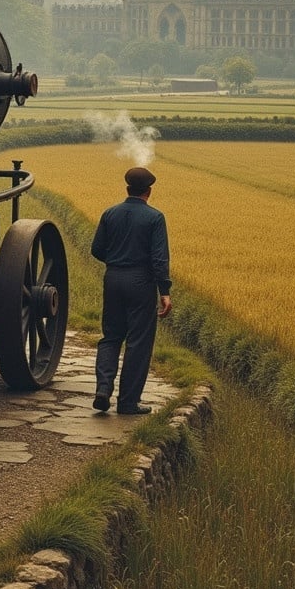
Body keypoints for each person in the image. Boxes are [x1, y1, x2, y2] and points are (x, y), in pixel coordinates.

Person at [90, 166, 172, 415]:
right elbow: (159, 259)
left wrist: (116, 261)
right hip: (140, 282)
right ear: (148, 191)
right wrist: (164, 291)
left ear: (128, 189)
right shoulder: (155, 218)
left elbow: (96, 249)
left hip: (113, 278)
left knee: (111, 336)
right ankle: (127, 402)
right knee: (138, 342)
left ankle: (103, 389)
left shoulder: (110, 213)